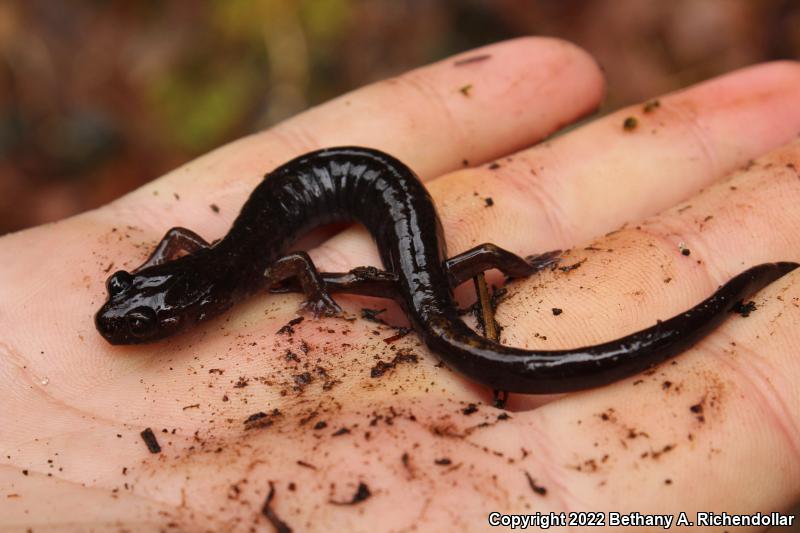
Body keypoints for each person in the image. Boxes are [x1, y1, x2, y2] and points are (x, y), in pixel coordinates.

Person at [1, 37, 799, 531]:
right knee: (451, 282)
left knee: (436, 289)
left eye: (138, 310)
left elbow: (293, 262)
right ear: (186, 297)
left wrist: (316, 291)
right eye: (139, 311)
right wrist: (294, 285)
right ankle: (535, 282)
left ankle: (665, 288)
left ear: (196, 303)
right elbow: (261, 257)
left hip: (392, 213)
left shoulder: (234, 270)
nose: (128, 314)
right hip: (391, 238)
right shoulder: (218, 264)